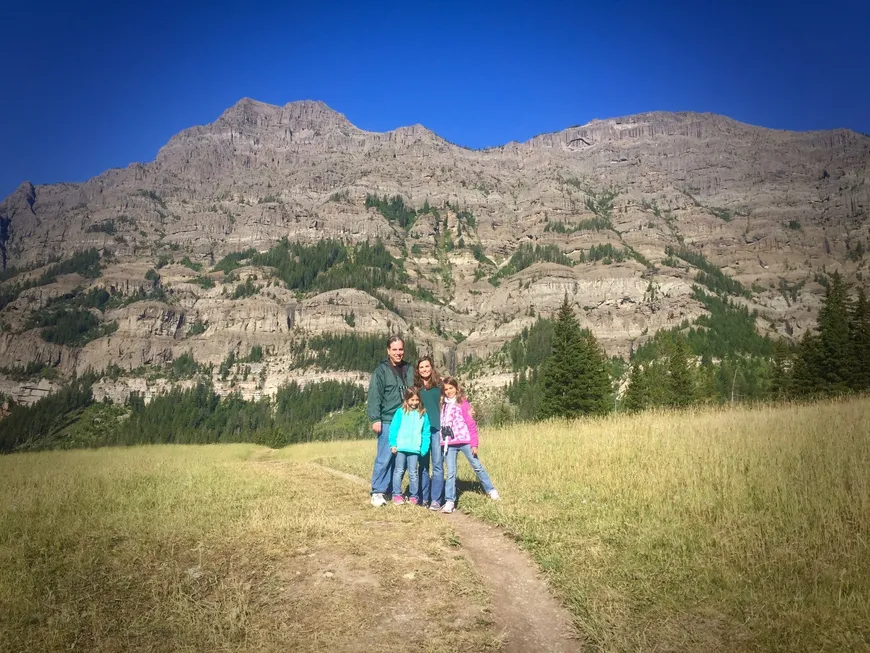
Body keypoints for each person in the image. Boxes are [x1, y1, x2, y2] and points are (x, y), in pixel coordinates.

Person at [439, 376, 500, 513]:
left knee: (477, 466)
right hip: (449, 443)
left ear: (457, 388)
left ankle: (491, 490)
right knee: (451, 472)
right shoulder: (442, 405)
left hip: (465, 441)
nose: (449, 391)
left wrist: (474, 443)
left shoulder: (463, 403)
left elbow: (471, 424)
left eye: (451, 388)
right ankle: (450, 500)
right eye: (446, 389)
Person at [367, 335, 415, 506]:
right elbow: (374, 395)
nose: (398, 353)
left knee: (399, 458)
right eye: (394, 349)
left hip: (407, 420)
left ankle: (391, 490)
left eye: (400, 349)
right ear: (388, 351)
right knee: (385, 456)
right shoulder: (381, 371)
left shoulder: (410, 369)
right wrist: (375, 418)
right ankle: (377, 491)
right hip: (387, 420)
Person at [389, 387, 431, 506]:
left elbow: (426, 432)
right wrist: (393, 444)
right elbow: (394, 429)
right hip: (401, 448)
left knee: (413, 473)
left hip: (415, 449)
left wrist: (424, 448)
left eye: (417, 400)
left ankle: (414, 497)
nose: (414, 403)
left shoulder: (423, 413)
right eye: (411, 400)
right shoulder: (400, 412)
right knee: (399, 471)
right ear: (406, 400)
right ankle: (397, 495)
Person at [415, 355, 445, 511]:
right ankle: (424, 497)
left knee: (438, 465)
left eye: (427, 366)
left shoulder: (440, 385)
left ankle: (436, 499)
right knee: (423, 465)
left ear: (431, 368)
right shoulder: (416, 389)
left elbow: (454, 398)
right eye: (421, 367)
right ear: (418, 370)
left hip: (437, 429)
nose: (424, 369)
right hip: (421, 431)